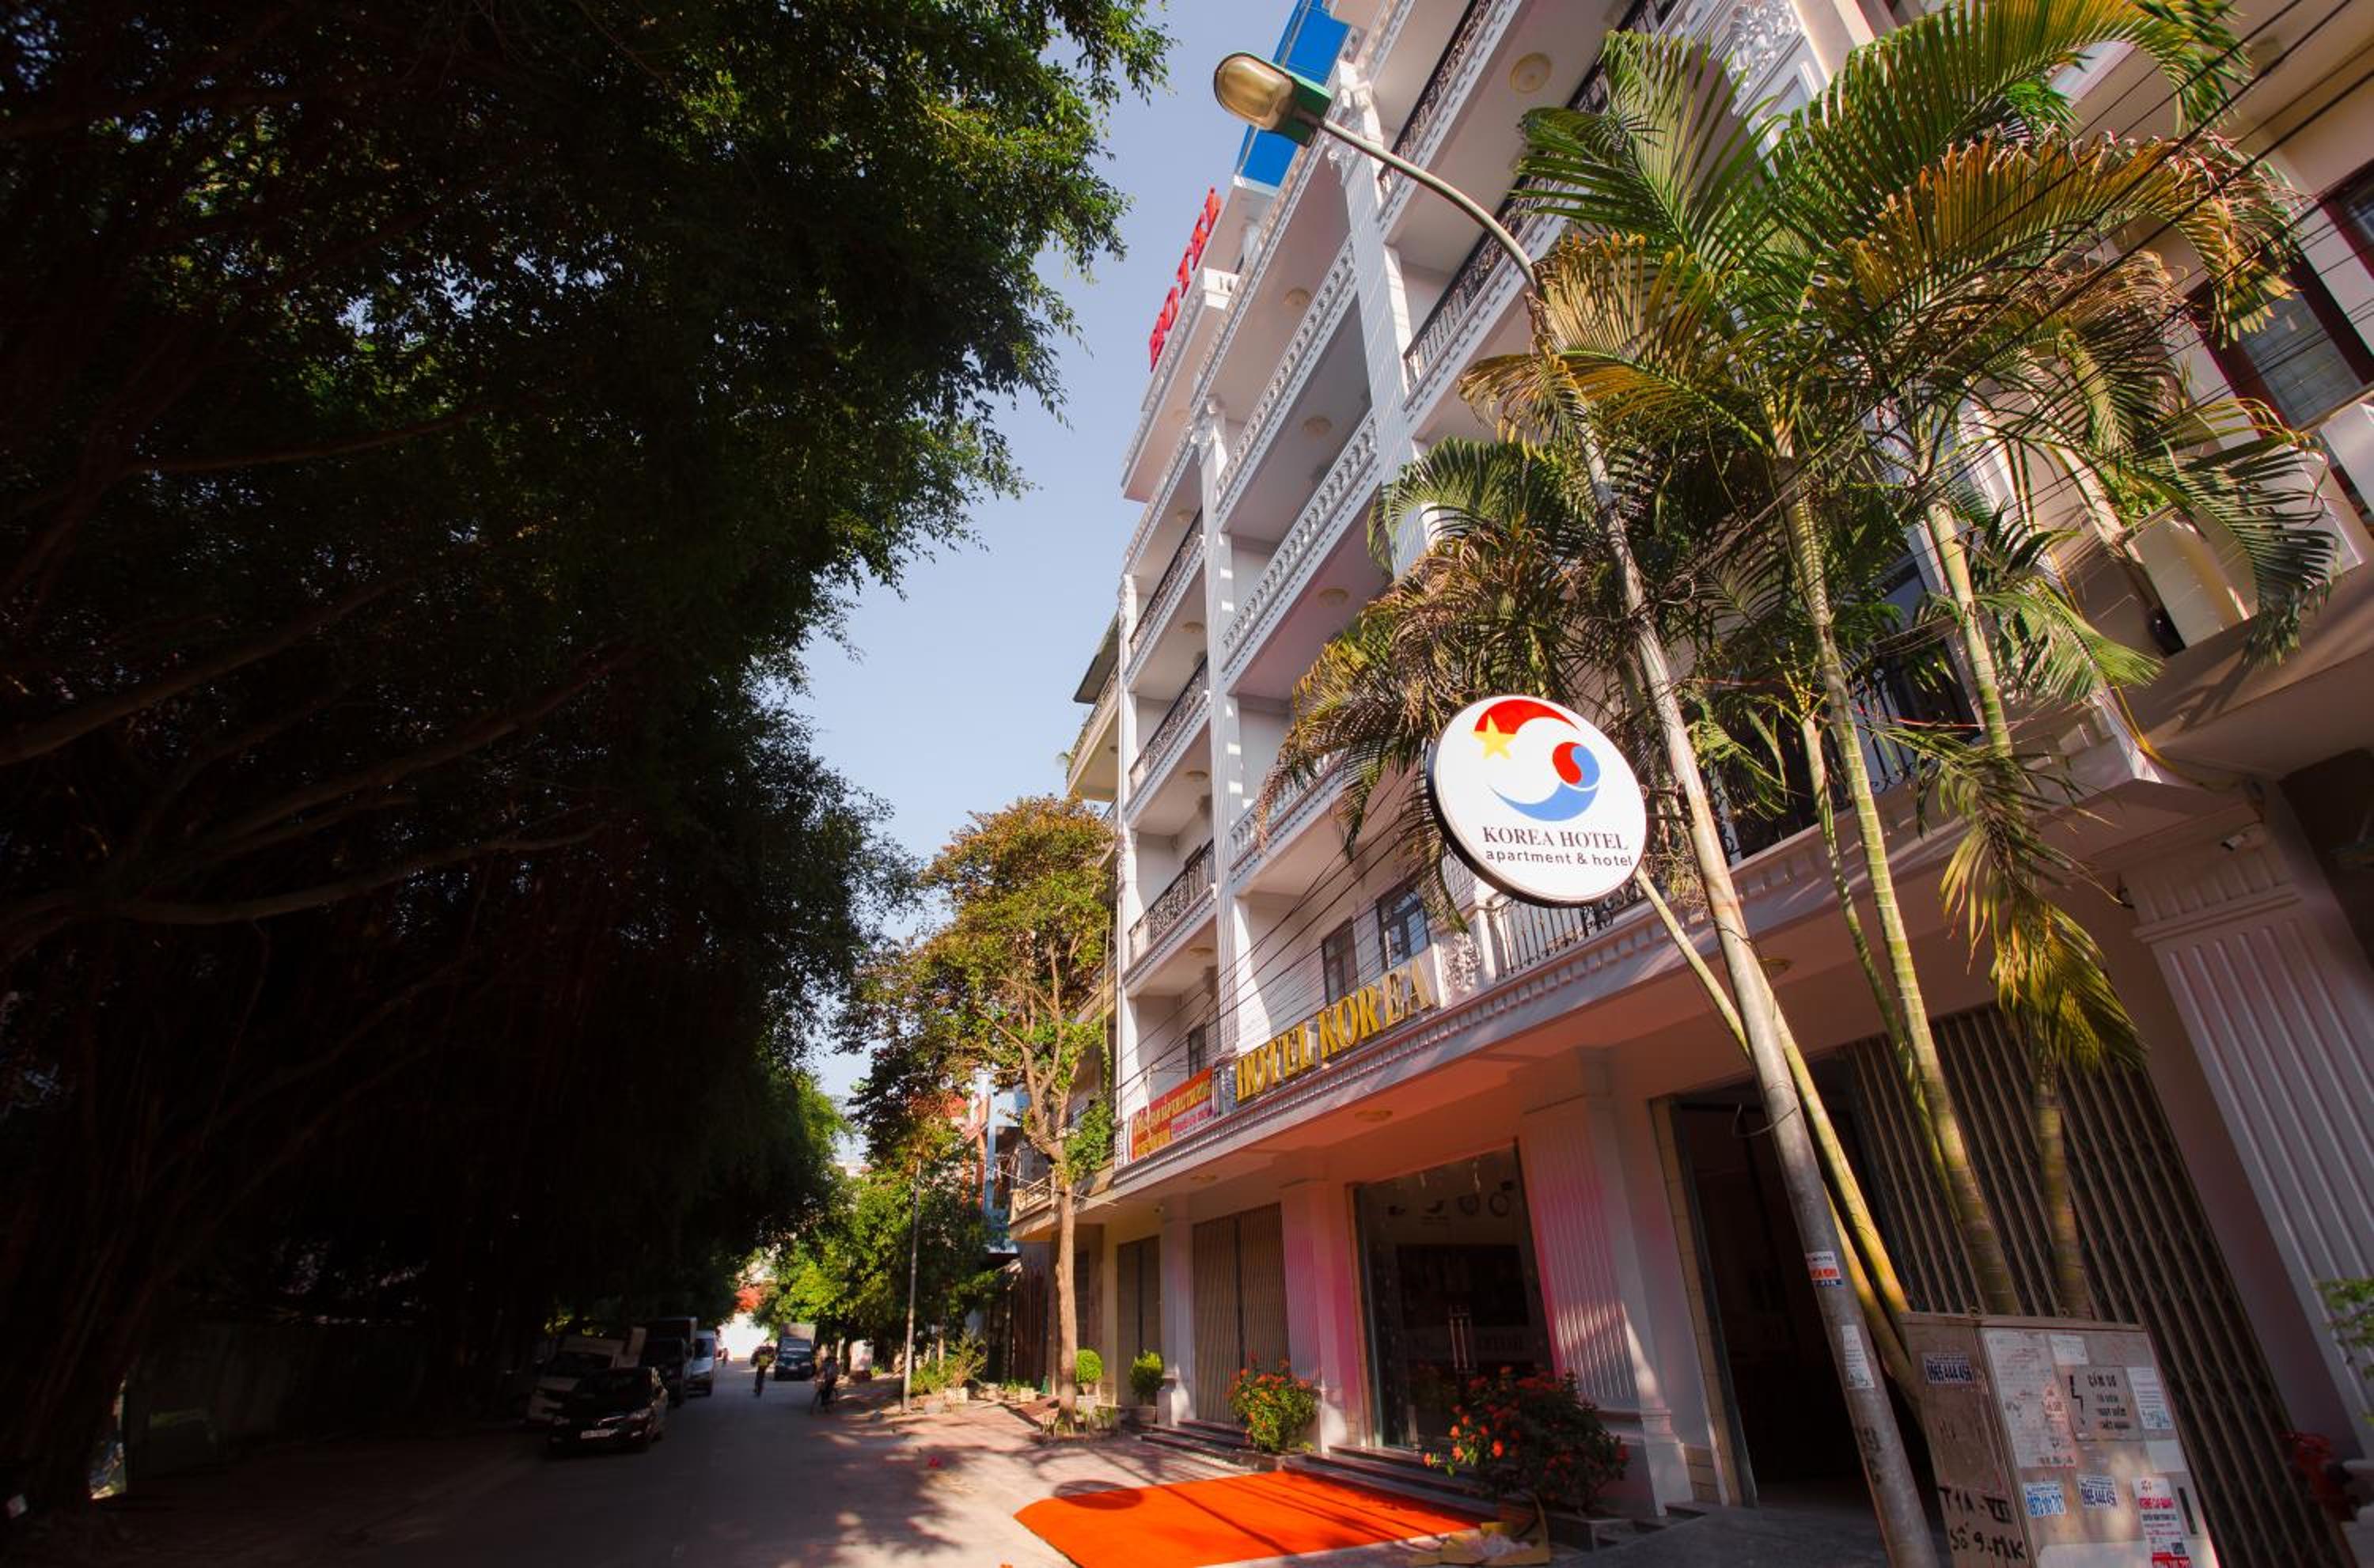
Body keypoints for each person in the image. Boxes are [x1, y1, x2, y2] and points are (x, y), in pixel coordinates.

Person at [812, 1350, 839, 1414]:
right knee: (822, 1390)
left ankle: (827, 1403)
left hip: (832, 1379)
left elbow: (836, 1372)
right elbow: (820, 1369)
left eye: (832, 1359)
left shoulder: (835, 1365)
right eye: (830, 1359)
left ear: (834, 1360)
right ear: (828, 1359)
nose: (831, 1360)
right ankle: (823, 1401)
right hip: (826, 1378)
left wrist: (832, 1376)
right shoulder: (825, 1364)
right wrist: (817, 1375)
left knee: (829, 1390)